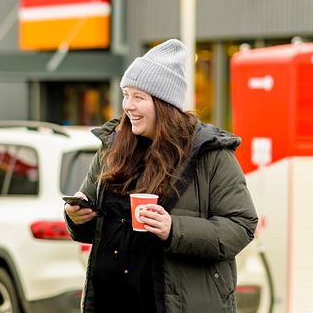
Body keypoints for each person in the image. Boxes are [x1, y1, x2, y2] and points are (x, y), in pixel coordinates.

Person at [65, 39, 258, 313]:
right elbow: (91, 226)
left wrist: (174, 230)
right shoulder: (113, 147)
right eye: (126, 95)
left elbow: (242, 225)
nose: (128, 106)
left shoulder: (210, 154)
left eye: (138, 97)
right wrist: (77, 218)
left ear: (164, 103)